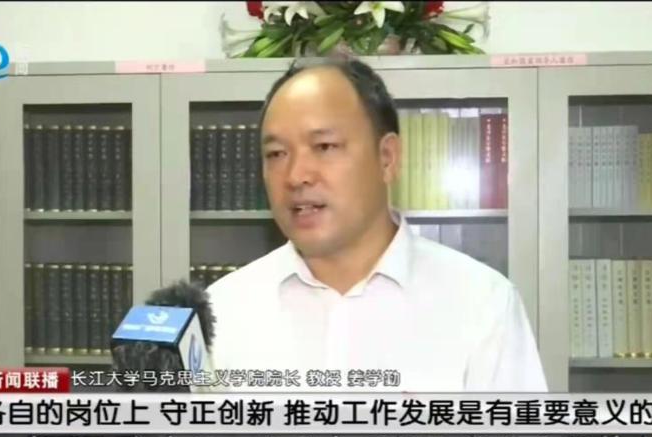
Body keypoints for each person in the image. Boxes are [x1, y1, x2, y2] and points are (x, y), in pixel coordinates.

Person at [207, 57, 548, 393]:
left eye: (324, 146)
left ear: (387, 158)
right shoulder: (221, 311)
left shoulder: (483, 304)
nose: (296, 176)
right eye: (276, 154)